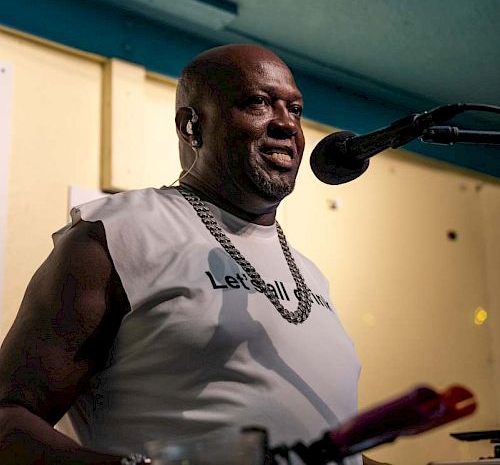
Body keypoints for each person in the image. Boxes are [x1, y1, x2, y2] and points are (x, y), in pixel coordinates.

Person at [0, 45, 386, 464]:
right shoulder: (116, 235)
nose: (284, 124)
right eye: (258, 102)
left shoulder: (312, 276)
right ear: (191, 126)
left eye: (294, 109)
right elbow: (10, 421)